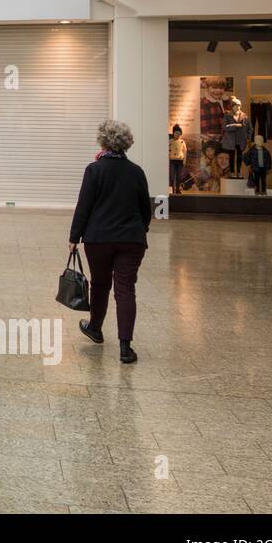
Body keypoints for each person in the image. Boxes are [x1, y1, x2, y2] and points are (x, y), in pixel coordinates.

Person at [69, 120, 152, 365]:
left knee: (100, 284)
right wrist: (140, 230)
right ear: (126, 143)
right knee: (125, 289)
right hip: (131, 239)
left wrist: (74, 237)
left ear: (103, 141)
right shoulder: (136, 171)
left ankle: (95, 328)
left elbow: (84, 205)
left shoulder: (95, 170)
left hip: (99, 238)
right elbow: (145, 209)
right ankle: (125, 348)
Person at [168, 124, 187, 194]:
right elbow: (167, 150)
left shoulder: (182, 141)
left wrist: (184, 161)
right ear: (173, 133)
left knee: (179, 176)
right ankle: (172, 189)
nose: (177, 134)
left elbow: (185, 151)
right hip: (172, 160)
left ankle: (178, 189)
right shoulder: (170, 141)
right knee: (172, 176)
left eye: (179, 133)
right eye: (176, 133)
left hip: (180, 161)